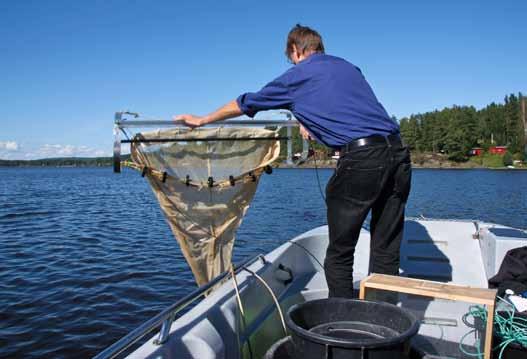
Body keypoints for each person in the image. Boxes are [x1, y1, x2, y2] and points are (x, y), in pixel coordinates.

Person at [174, 24, 412, 299]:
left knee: (339, 253)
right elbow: (345, 104)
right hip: (398, 155)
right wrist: (305, 117)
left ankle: (345, 322)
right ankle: (383, 321)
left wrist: (202, 119)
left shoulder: (298, 75)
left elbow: (246, 102)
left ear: (295, 51)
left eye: (291, 58)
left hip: (362, 161)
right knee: (386, 247)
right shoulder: (349, 67)